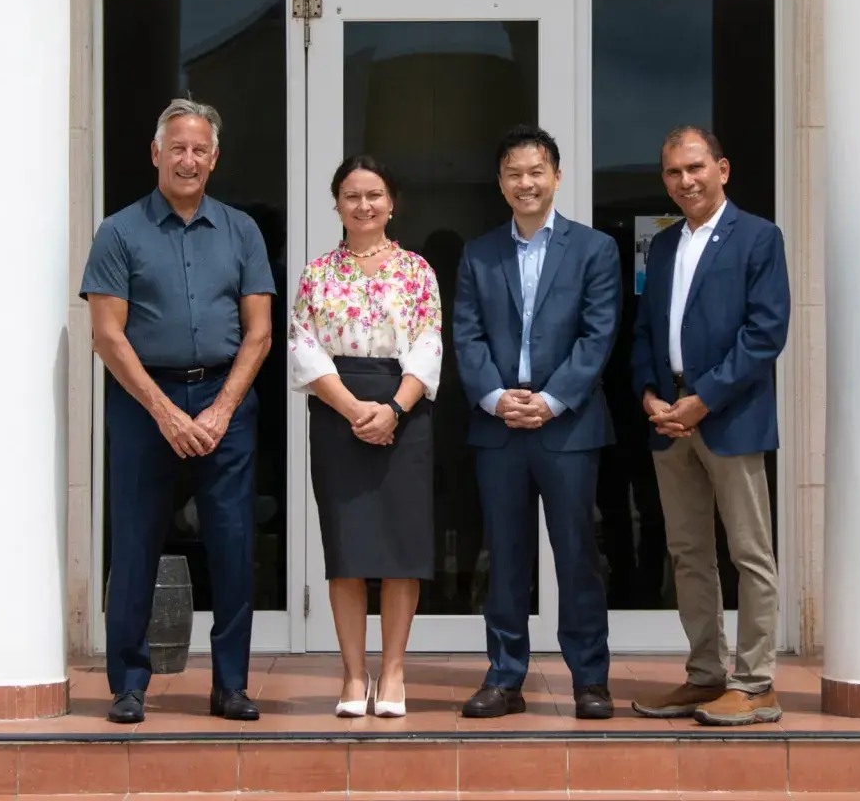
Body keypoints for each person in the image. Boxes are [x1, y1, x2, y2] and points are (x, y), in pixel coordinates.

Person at [82, 97, 274, 724]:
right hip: (144, 402)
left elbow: (260, 333)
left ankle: (231, 685)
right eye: (178, 148)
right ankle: (130, 683)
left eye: (200, 150)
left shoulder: (242, 230)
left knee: (232, 544)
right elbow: (108, 336)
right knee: (135, 541)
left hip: (226, 400)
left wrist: (219, 410)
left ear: (214, 159)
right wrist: (165, 412)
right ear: (156, 154)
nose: (188, 160)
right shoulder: (119, 230)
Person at [453, 126, 621, 720]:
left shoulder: (595, 249)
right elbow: (466, 337)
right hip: (499, 428)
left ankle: (590, 680)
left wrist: (549, 401)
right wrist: (497, 397)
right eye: (514, 173)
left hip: (567, 428)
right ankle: (504, 676)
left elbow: (598, 336)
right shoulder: (480, 253)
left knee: (578, 555)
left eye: (536, 171)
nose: (526, 183)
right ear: (501, 183)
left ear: (556, 175)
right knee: (504, 556)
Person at [629, 126, 789, 727]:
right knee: (688, 554)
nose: (685, 181)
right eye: (673, 173)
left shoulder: (758, 237)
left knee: (750, 554)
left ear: (722, 168)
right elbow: (646, 327)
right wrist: (649, 393)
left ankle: (756, 684)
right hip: (668, 420)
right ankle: (706, 676)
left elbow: (765, 333)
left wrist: (705, 398)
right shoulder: (665, 246)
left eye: (695, 168)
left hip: (729, 419)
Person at [288, 155, 443, 719]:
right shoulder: (318, 272)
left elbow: (429, 344)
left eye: (374, 194)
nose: (364, 205)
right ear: (336, 204)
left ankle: (394, 671)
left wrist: (393, 410)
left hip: (403, 410)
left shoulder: (417, 270)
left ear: (392, 201)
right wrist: (355, 409)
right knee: (347, 550)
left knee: (403, 548)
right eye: (352, 196)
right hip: (338, 409)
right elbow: (303, 346)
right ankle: (354, 675)